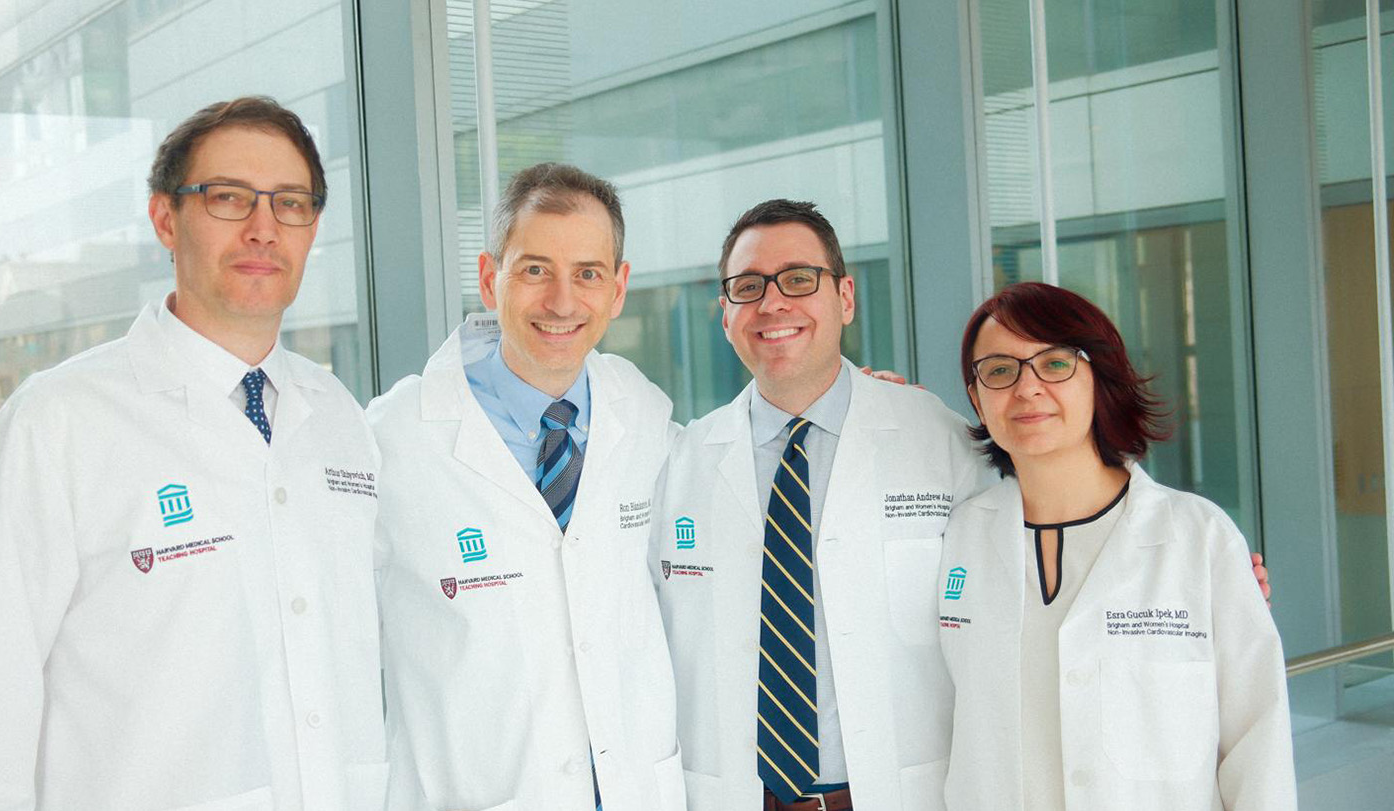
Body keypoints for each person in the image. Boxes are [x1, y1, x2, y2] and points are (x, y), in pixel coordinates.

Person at [0, 97, 388, 809]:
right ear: (166, 218)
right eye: (229, 197)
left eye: (289, 203)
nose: (263, 227)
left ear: (312, 227)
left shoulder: (340, 419)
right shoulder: (57, 423)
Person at [651, 199, 990, 810]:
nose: (773, 303)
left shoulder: (939, 441)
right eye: (748, 286)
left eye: (799, 279)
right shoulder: (680, 463)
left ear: (846, 298)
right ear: (725, 315)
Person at [367, 163, 686, 811]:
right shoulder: (390, 440)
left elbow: (735, 473)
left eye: (588, 274)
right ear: (491, 279)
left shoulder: (644, 414)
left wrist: (855, 403)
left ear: (618, 288)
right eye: (536, 270)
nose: (563, 302)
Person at [938, 281, 1295, 809]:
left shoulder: (1199, 537)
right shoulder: (957, 537)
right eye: (999, 370)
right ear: (976, 398)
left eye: (1054, 364)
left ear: (1100, 379)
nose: (1027, 388)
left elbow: (1257, 738)